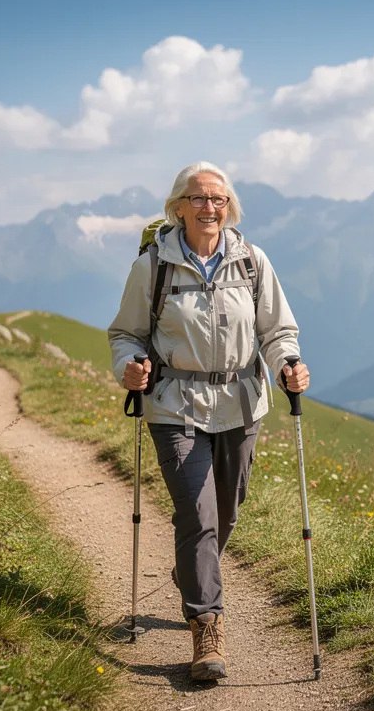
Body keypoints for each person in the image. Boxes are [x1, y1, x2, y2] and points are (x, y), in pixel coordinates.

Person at [108, 161, 309, 680]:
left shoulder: (252, 262)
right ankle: (206, 628)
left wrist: (288, 363)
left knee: (227, 509)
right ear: (178, 207)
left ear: (230, 207)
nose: (209, 207)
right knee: (198, 517)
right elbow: (126, 335)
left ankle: (190, 573)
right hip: (175, 404)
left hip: (241, 403)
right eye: (198, 199)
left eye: (218, 199)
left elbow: (277, 329)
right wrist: (129, 369)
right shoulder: (153, 267)